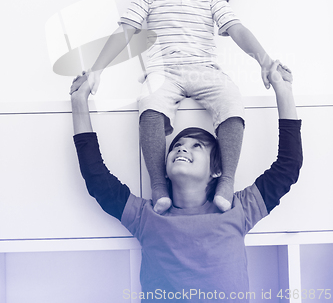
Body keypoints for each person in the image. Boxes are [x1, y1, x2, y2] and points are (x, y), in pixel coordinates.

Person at [70, 0, 292, 214]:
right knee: (149, 103)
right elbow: (125, 31)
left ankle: (226, 179)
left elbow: (237, 30)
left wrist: (265, 61)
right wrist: (97, 69)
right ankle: (159, 185)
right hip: (165, 71)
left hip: (204, 69)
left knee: (231, 99)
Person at [71, 61, 302, 301]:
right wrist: (79, 101)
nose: (182, 149)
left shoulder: (238, 209)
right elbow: (96, 177)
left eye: (196, 146)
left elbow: (288, 167)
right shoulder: (147, 216)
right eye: (177, 145)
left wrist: (283, 90)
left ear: (216, 170)